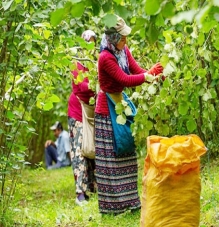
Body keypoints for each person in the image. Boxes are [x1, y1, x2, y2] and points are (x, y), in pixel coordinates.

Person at [95, 15, 164, 214]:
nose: (126, 40)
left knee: (127, 152)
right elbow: (125, 79)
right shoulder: (105, 57)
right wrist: (147, 76)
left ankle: (131, 202)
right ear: (114, 37)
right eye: (123, 37)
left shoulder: (123, 51)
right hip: (107, 110)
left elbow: (137, 71)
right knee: (112, 156)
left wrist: (154, 74)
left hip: (121, 106)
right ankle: (113, 207)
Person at [67, 30, 97, 206]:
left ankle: (93, 187)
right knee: (79, 151)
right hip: (78, 113)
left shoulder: (94, 63)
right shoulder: (76, 64)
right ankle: (80, 192)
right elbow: (83, 87)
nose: (91, 47)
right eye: (88, 43)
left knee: (91, 150)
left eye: (93, 42)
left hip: (92, 113)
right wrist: (98, 82)